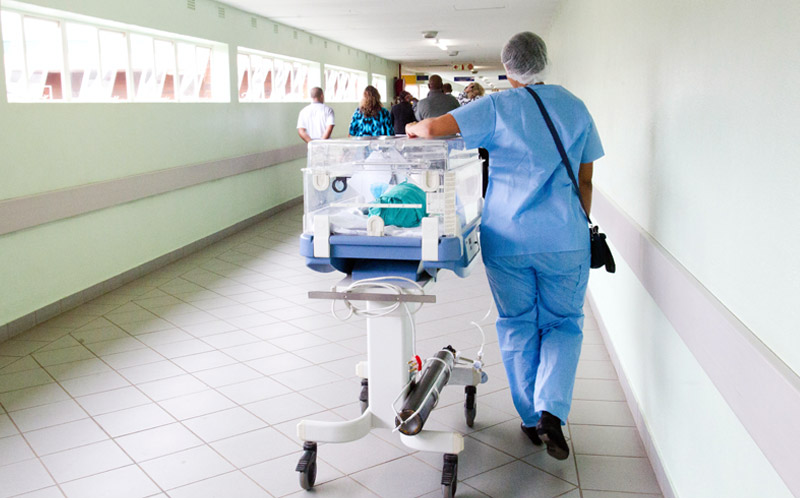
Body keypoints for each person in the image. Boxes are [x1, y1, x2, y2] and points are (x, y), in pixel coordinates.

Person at [405, 32, 604, 461]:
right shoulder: (576, 107)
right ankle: (552, 409)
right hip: (565, 239)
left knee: (517, 324)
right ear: (544, 62)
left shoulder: (497, 106)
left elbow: (434, 129)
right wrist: (573, 222)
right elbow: (585, 181)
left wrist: (411, 124)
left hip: (508, 238)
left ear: (508, 67)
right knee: (563, 323)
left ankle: (531, 419)